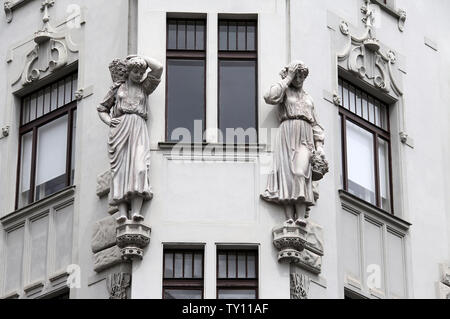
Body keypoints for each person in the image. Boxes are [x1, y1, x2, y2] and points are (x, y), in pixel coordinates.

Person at [97, 55, 163, 223]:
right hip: (120, 130)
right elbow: (102, 108)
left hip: (138, 127)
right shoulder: (118, 88)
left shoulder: (144, 88)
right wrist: (110, 121)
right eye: (135, 71)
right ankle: (122, 214)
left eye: (141, 72)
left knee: (139, 168)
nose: (139, 75)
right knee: (121, 171)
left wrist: (141, 58)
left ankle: (137, 211)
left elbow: (159, 68)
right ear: (127, 72)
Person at [261, 60, 327, 226]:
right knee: (286, 175)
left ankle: (301, 216)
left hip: (305, 134)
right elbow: (269, 97)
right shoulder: (284, 91)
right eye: (296, 74)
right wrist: (287, 78)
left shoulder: (308, 98)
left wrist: (319, 147)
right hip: (286, 132)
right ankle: (289, 215)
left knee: (299, 172)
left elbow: (316, 123)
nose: (299, 78)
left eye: (302, 75)